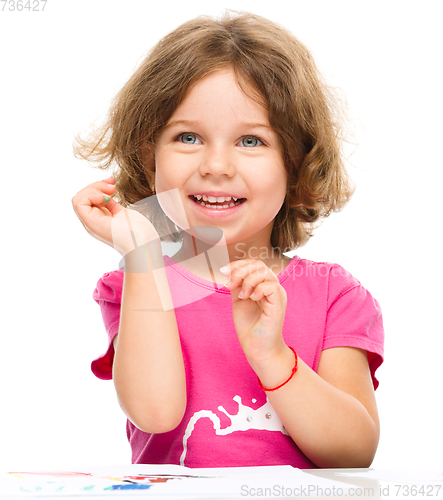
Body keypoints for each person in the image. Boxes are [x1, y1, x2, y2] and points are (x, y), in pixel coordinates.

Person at [72, 11, 384, 469]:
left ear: (294, 165)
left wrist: (273, 357)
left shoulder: (334, 295)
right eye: (188, 136)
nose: (216, 165)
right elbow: (155, 414)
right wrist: (143, 256)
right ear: (149, 156)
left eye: (252, 141)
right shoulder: (137, 283)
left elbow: (354, 454)